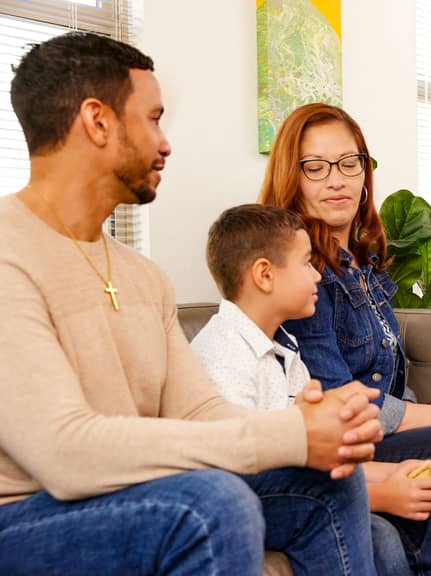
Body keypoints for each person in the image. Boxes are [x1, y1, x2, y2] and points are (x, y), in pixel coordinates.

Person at [0, 32, 383, 575]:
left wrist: (309, 424)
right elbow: (65, 453)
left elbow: (199, 411)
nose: (165, 142)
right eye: (153, 118)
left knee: (326, 484)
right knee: (210, 504)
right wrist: (287, 435)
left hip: (130, 494)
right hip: (22, 518)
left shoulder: (141, 275)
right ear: (97, 120)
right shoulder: (7, 253)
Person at [259, 102, 431, 576]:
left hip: (374, 430)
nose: (336, 180)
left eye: (349, 163)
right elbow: (341, 398)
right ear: (291, 179)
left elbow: (391, 381)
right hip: (340, 439)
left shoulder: (360, 266)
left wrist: (430, 414)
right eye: (315, 168)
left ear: (364, 171)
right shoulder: (301, 274)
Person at [191, 203, 431, 576]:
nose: (317, 276)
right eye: (307, 264)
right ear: (265, 275)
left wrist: (392, 474)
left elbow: (311, 455)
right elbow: (241, 469)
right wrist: (383, 489)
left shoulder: (286, 351)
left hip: (286, 486)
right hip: (239, 494)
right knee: (380, 533)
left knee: (391, 535)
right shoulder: (222, 353)